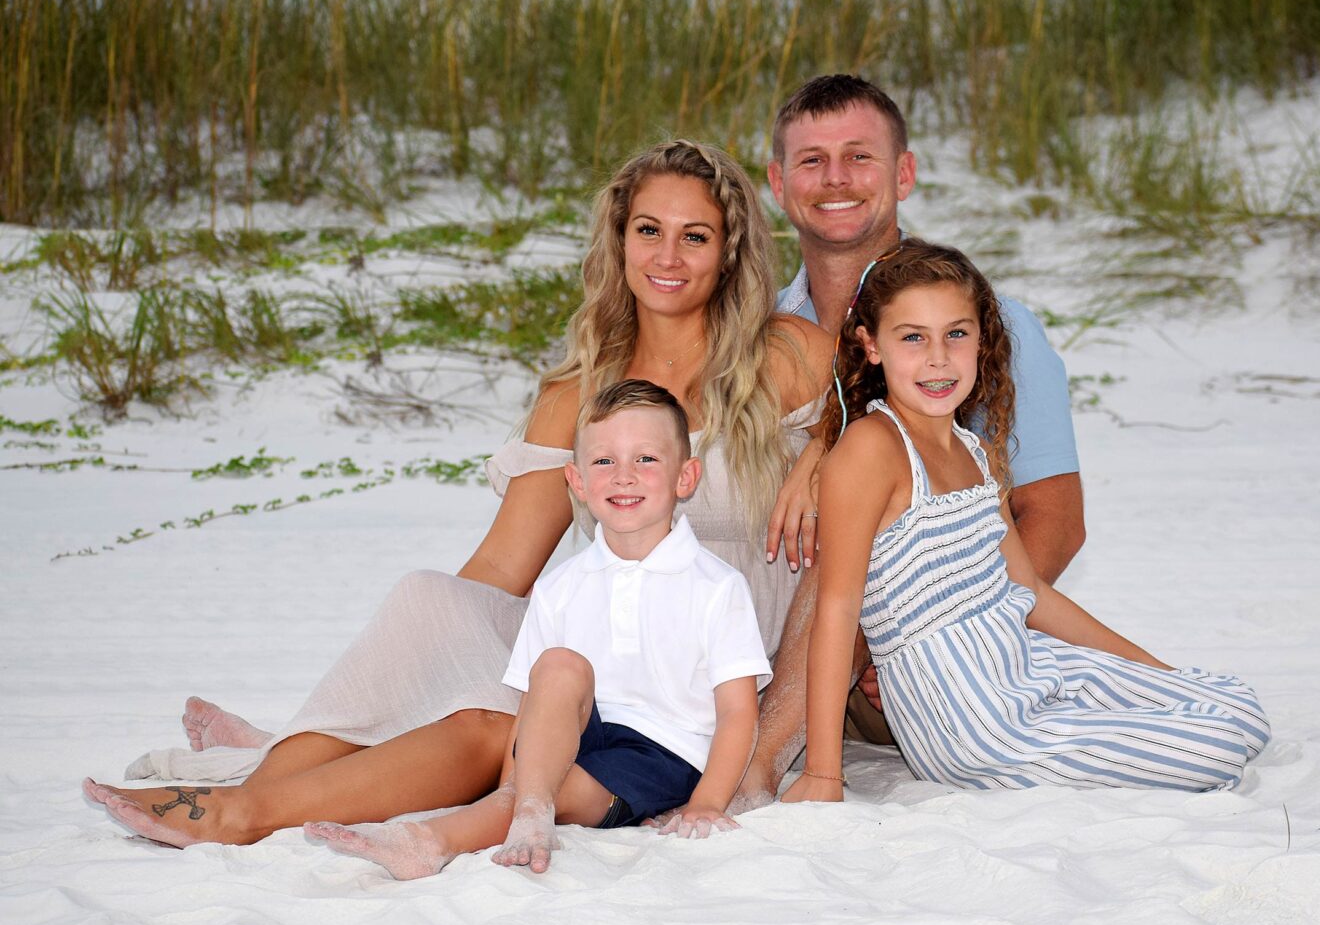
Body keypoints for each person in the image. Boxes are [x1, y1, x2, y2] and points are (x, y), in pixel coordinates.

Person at [82, 140, 833, 847]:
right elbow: (506, 567)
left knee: (484, 723)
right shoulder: (578, 392)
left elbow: (889, 432)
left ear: (729, 250)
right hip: (601, 642)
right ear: (618, 240)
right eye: (648, 230)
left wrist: (822, 450)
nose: (668, 257)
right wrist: (433, 660)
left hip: (708, 662)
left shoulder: (785, 357)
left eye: (695, 236)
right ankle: (256, 789)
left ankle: (252, 800)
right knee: (431, 606)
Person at [781, 240, 1269, 802]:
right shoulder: (872, 448)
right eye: (912, 337)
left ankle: (1153, 707)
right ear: (871, 346)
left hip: (1023, 667)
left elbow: (1028, 590)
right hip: (969, 717)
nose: (938, 358)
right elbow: (836, 609)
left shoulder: (975, 450)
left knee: (1234, 703)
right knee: (1221, 741)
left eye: (956, 334)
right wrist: (823, 772)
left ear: (983, 341)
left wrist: (1162, 676)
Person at [738, 74, 1085, 799]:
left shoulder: (988, 330)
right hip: (795, 649)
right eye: (811, 160)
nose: (836, 179)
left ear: (905, 172)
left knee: (861, 522)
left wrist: (939, 629)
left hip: (938, 661)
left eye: (860, 157)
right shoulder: (761, 337)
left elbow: (1056, 519)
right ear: (777, 182)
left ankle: (760, 763)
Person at [305, 380, 771, 878]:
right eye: (604, 462)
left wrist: (707, 801)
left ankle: (428, 841)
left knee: (559, 791)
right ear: (577, 481)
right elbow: (532, 705)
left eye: (646, 460)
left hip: (662, 755)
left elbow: (738, 711)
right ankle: (526, 811)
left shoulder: (717, 586)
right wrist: (515, 787)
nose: (624, 477)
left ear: (686, 476)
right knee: (557, 667)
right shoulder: (562, 586)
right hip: (576, 730)